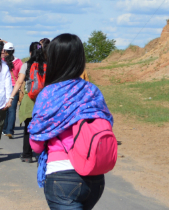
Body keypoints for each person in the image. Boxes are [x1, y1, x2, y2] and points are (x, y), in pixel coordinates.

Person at [29, 33, 113, 210]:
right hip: (95, 177)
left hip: (62, 178)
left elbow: (36, 144)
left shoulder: (48, 94)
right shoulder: (92, 91)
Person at [14, 41, 45, 162]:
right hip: (43, 100)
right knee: (42, 127)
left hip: (29, 98)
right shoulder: (47, 64)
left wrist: (11, 97)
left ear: (30, 52)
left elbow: (19, 81)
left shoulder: (26, 65)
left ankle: (27, 154)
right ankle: (42, 153)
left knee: (28, 127)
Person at [2, 42, 23, 138]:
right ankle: (10, 130)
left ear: (5, 51)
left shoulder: (2, 61)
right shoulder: (19, 62)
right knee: (12, 110)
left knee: (4, 109)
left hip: (3, 87)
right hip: (15, 87)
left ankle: (4, 129)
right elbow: (21, 76)